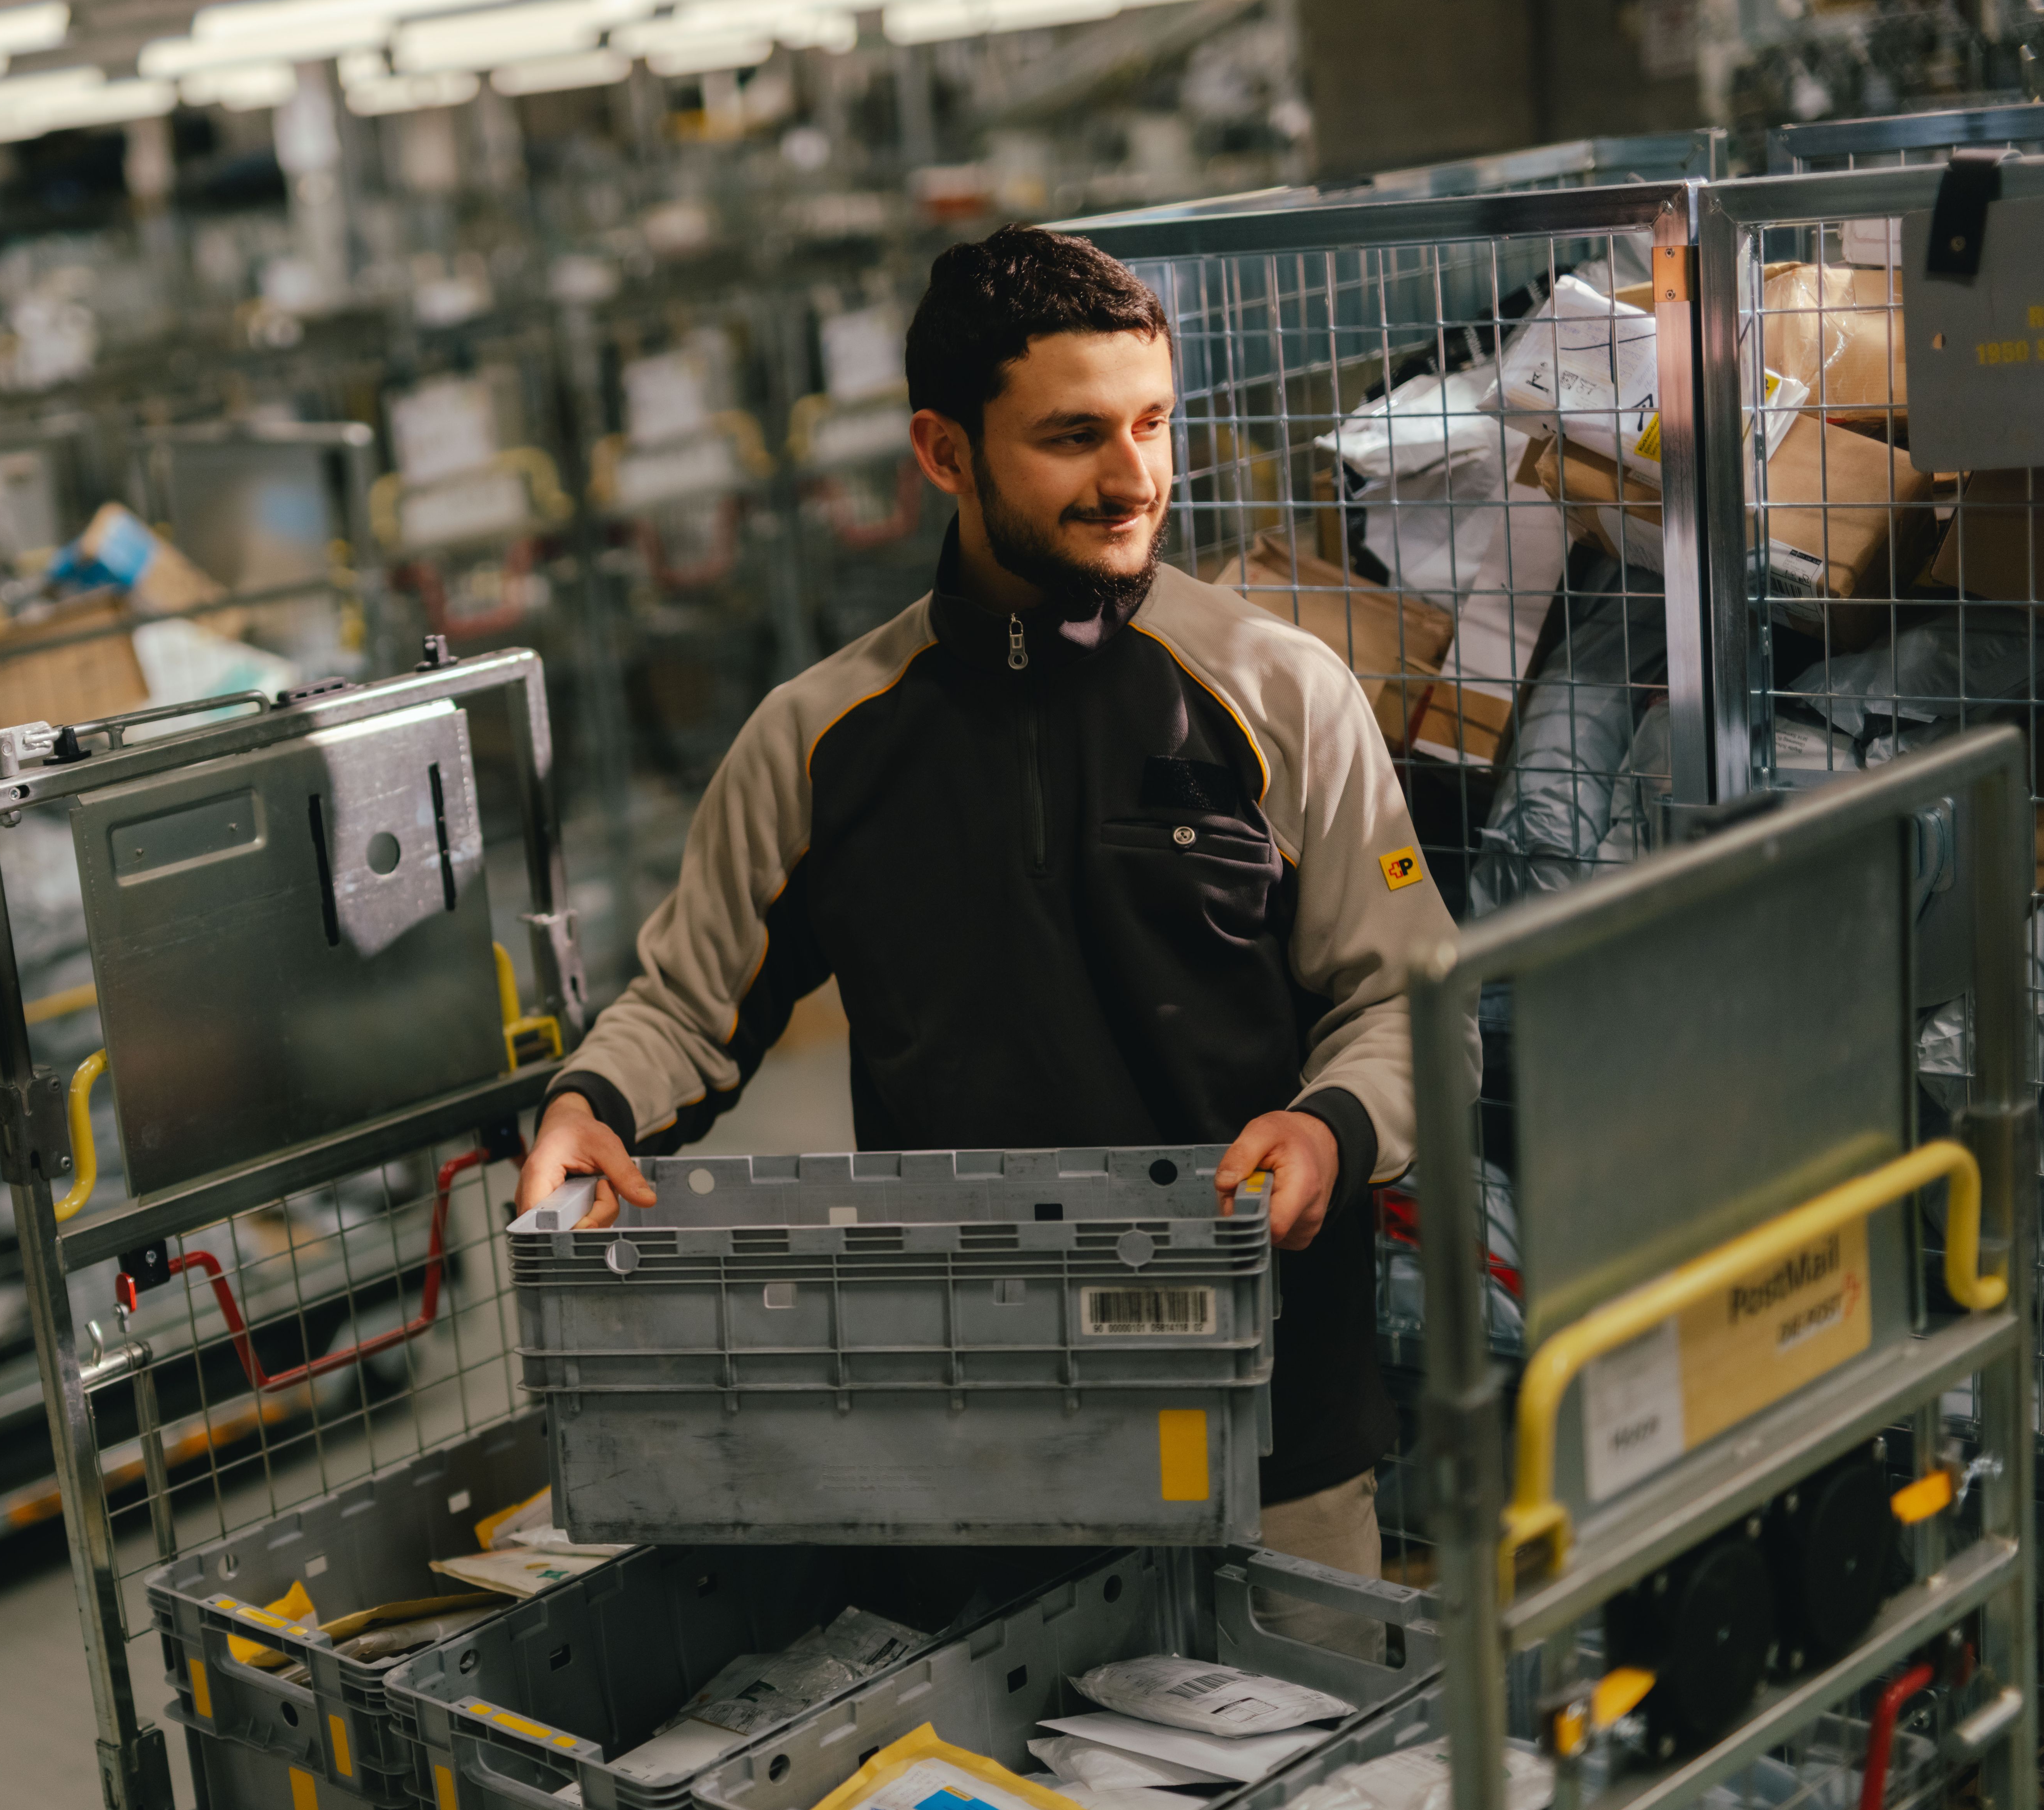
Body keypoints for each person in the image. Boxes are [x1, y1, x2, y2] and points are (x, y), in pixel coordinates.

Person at [512, 225, 1474, 1627]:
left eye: (1153, 422)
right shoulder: (823, 740)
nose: (1137, 477)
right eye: (1075, 437)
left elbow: (1413, 1007)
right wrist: (595, 1101)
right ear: (944, 453)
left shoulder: (1281, 693)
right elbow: (683, 1007)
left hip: (1272, 1428)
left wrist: (1331, 1125)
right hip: (978, 1438)